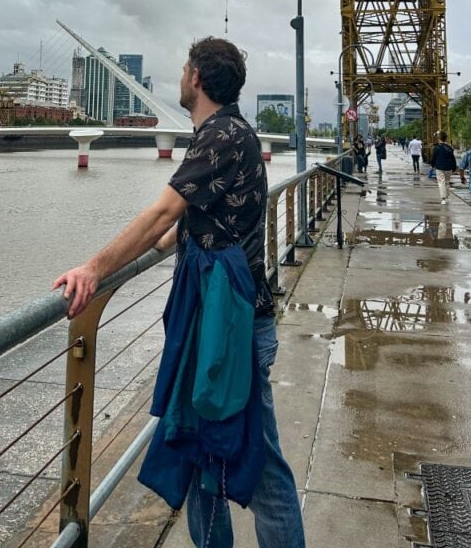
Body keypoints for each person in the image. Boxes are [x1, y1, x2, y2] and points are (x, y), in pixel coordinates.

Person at [52, 37, 305, 548]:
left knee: (260, 466)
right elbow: (187, 220)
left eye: (184, 67)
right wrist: (169, 239)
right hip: (217, 322)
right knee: (203, 455)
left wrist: (94, 268)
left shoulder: (221, 136)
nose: (180, 75)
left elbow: (162, 213)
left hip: (230, 329)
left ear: (196, 79)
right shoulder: (227, 135)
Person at [430, 131, 458, 204]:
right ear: (446, 138)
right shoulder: (450, 148)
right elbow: (453, 158)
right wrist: (454, 167)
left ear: (439, 138)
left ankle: (443, 199)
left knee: (441, 183)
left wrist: (432, 165)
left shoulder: (437, 148)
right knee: (447, 183)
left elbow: (434, 158)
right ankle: (447, 197)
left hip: (439, 167)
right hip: (448, 168)